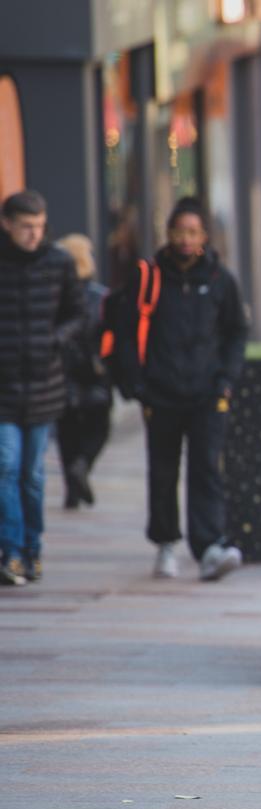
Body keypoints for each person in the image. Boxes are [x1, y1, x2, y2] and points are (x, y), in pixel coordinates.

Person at [110, 197, 249, 582]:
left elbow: (237, 332)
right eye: (178, 231)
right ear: (168, 234)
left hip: (207, 394)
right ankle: (166, 543)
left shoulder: (221, 279)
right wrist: (139, 386)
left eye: (192, 232)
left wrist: (225, 382)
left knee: (206, 469)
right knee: (163, 470)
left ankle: (209, 547)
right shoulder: (149, 277)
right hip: (161, 393)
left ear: (204, 235)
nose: (185, 239)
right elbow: (125, 332)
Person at [0, 190, 84, 585]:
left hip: (43, 385)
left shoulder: (59, 263)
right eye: (25, 227)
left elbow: (79, 313)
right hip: (3, 388)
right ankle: (11, 551)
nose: (34, 234)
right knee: (6, 466)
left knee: (32, 474)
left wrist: (56, 340)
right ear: (8, 225)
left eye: (39, 226)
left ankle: (33, 549)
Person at [54, 234, 113, 510]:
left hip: (60, 371)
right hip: (95, 371)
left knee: (68, 431)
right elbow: (112, 334)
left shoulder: (55, 294)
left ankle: (72, 487)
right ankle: (82, 465)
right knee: (98, 427)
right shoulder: (101, 297)